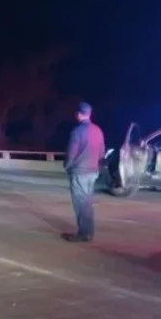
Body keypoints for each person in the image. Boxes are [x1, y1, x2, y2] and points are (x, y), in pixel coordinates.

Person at [62, 102, 105, 243]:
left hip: (80, 171)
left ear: (79, 114)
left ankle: (83, 233)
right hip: (93, 171)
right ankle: (88, 231)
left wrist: (67, 166)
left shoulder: (77, 132)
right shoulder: (98, 130)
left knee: (80, 202)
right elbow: (101, 153)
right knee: (87, 201)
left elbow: (72, 153)